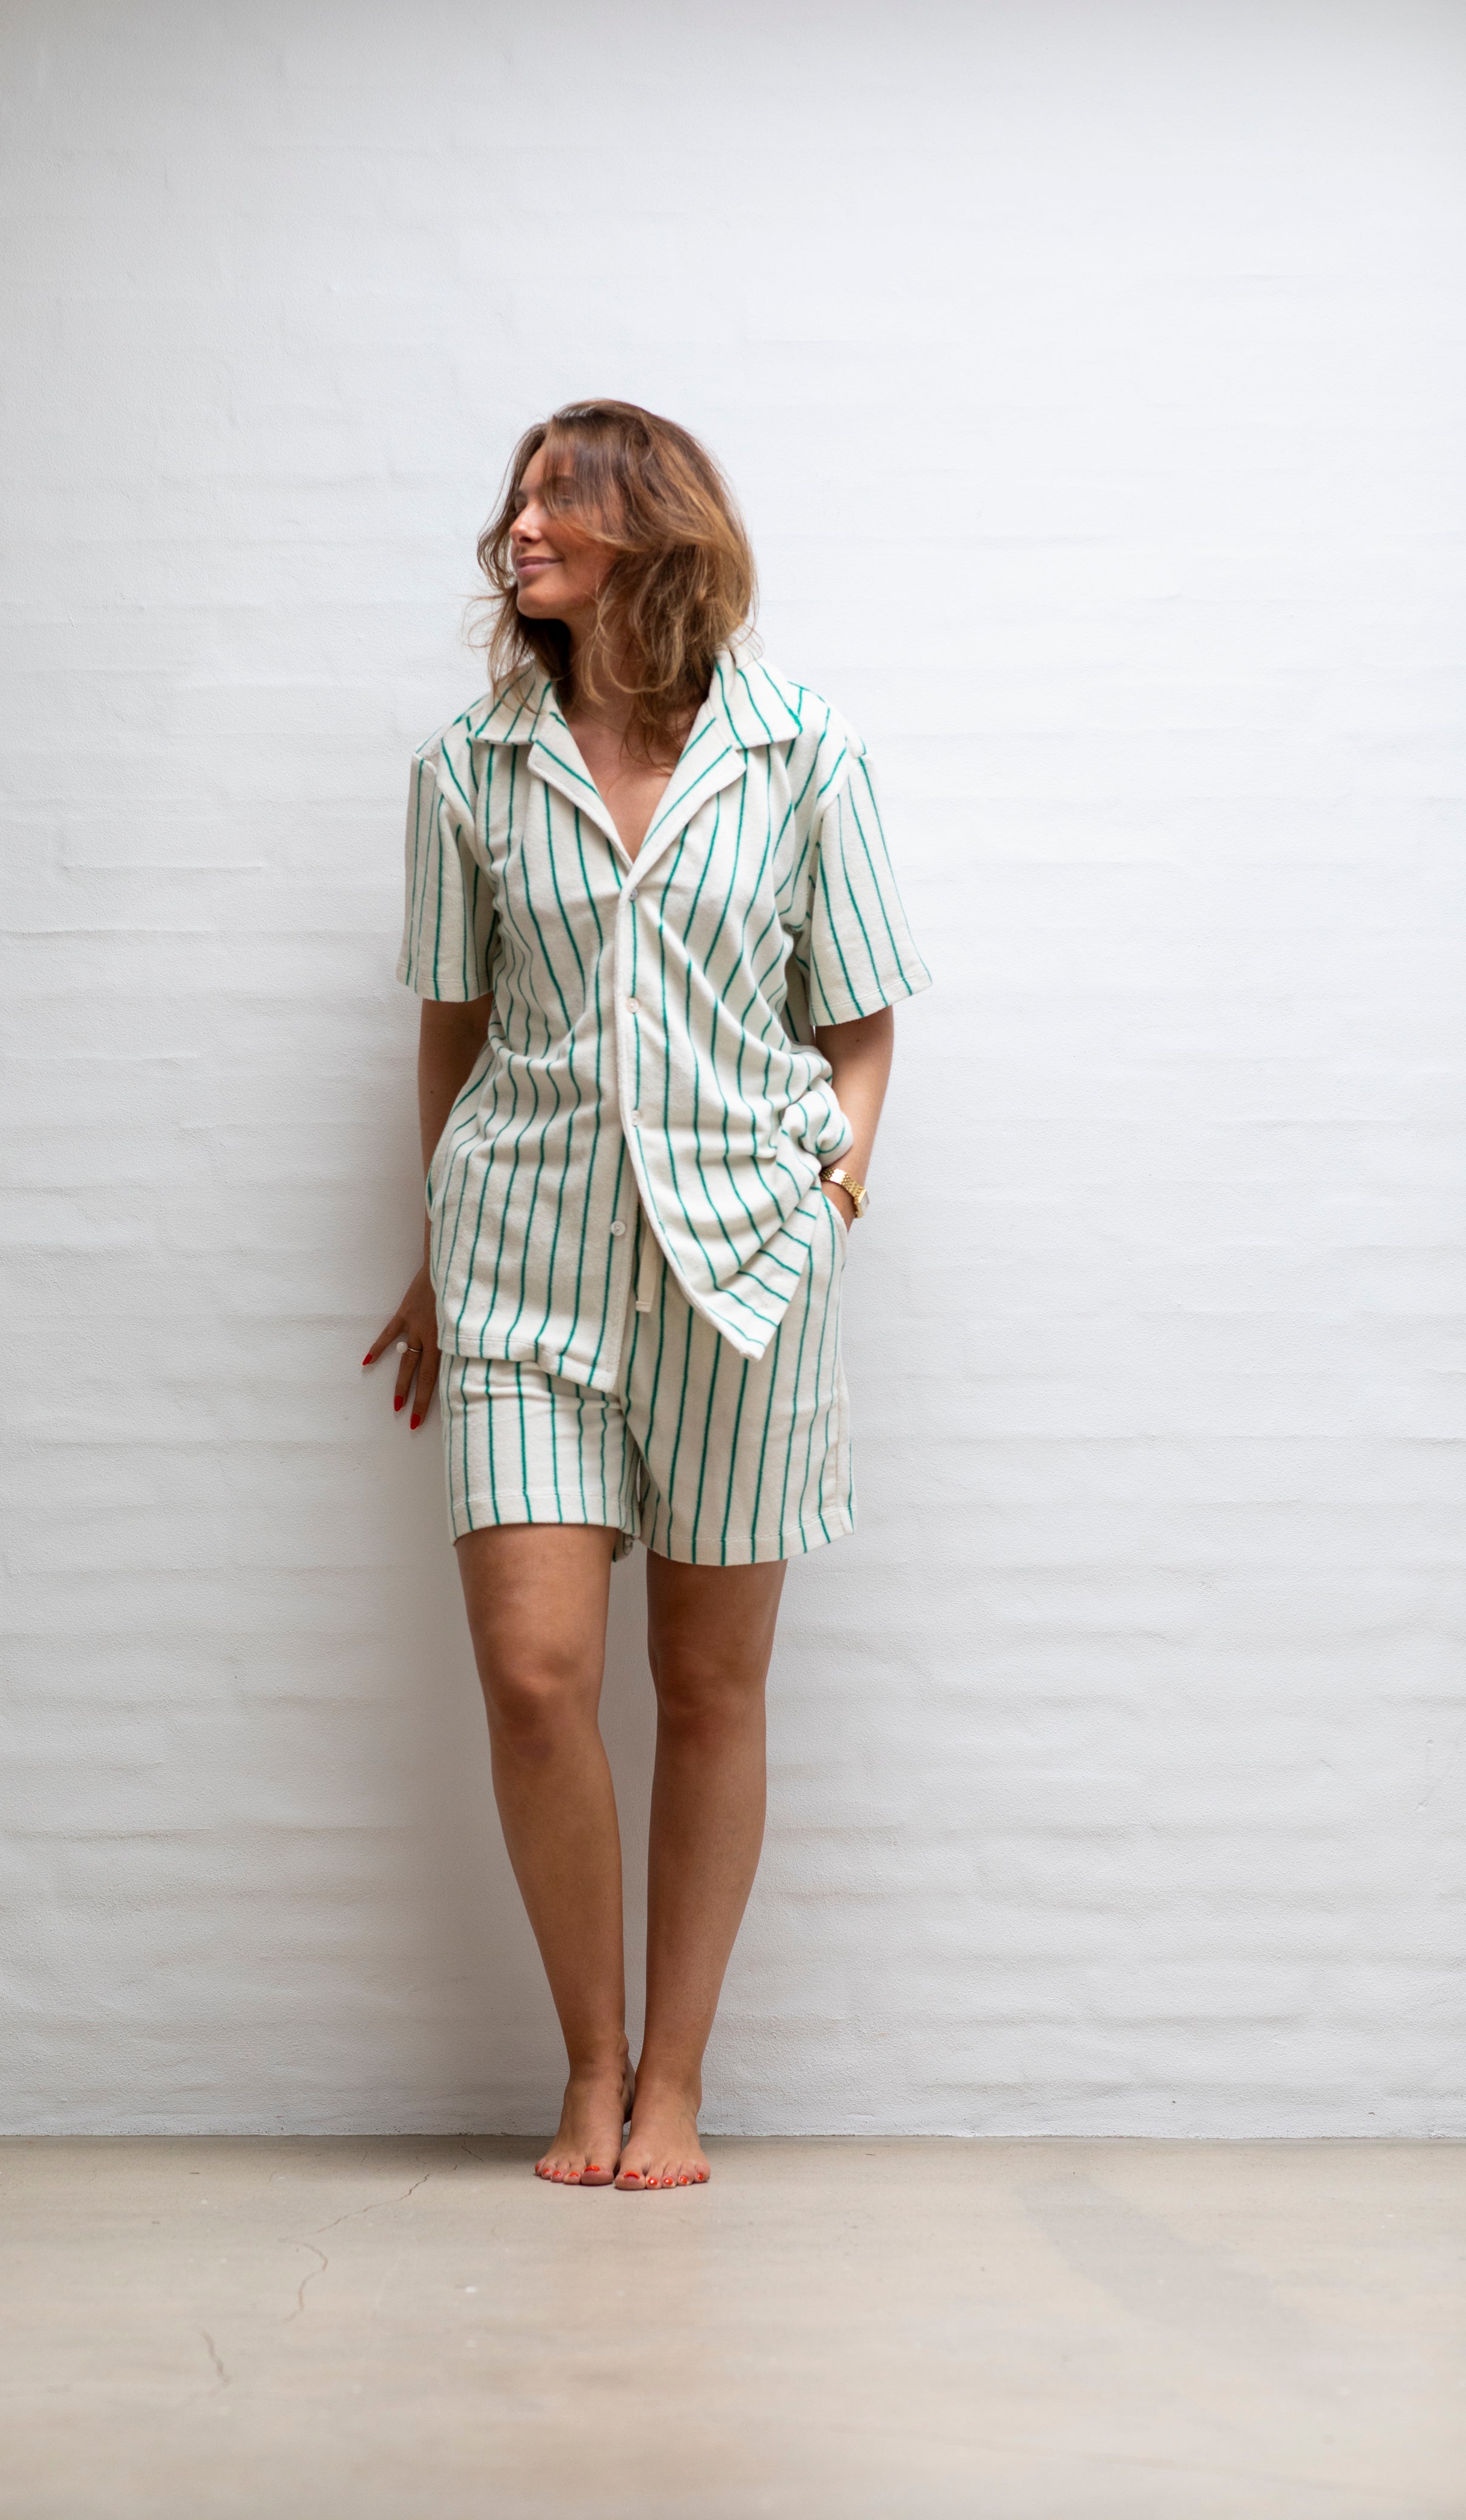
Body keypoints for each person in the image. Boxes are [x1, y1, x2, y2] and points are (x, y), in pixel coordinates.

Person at [366, 400, 929, 2190]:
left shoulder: (803, 750)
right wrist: (439, 1252)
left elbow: (861, 1022)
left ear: (652, 527)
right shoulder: (470, 769)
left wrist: (832, 1195)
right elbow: (452, 1031)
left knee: (708, 1685)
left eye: (558, 499)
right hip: (522, 1266)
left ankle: (675, 2082)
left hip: (745, 1277)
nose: (519, 528)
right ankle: (590, 2065)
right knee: (537, 1676)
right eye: (517, 501)